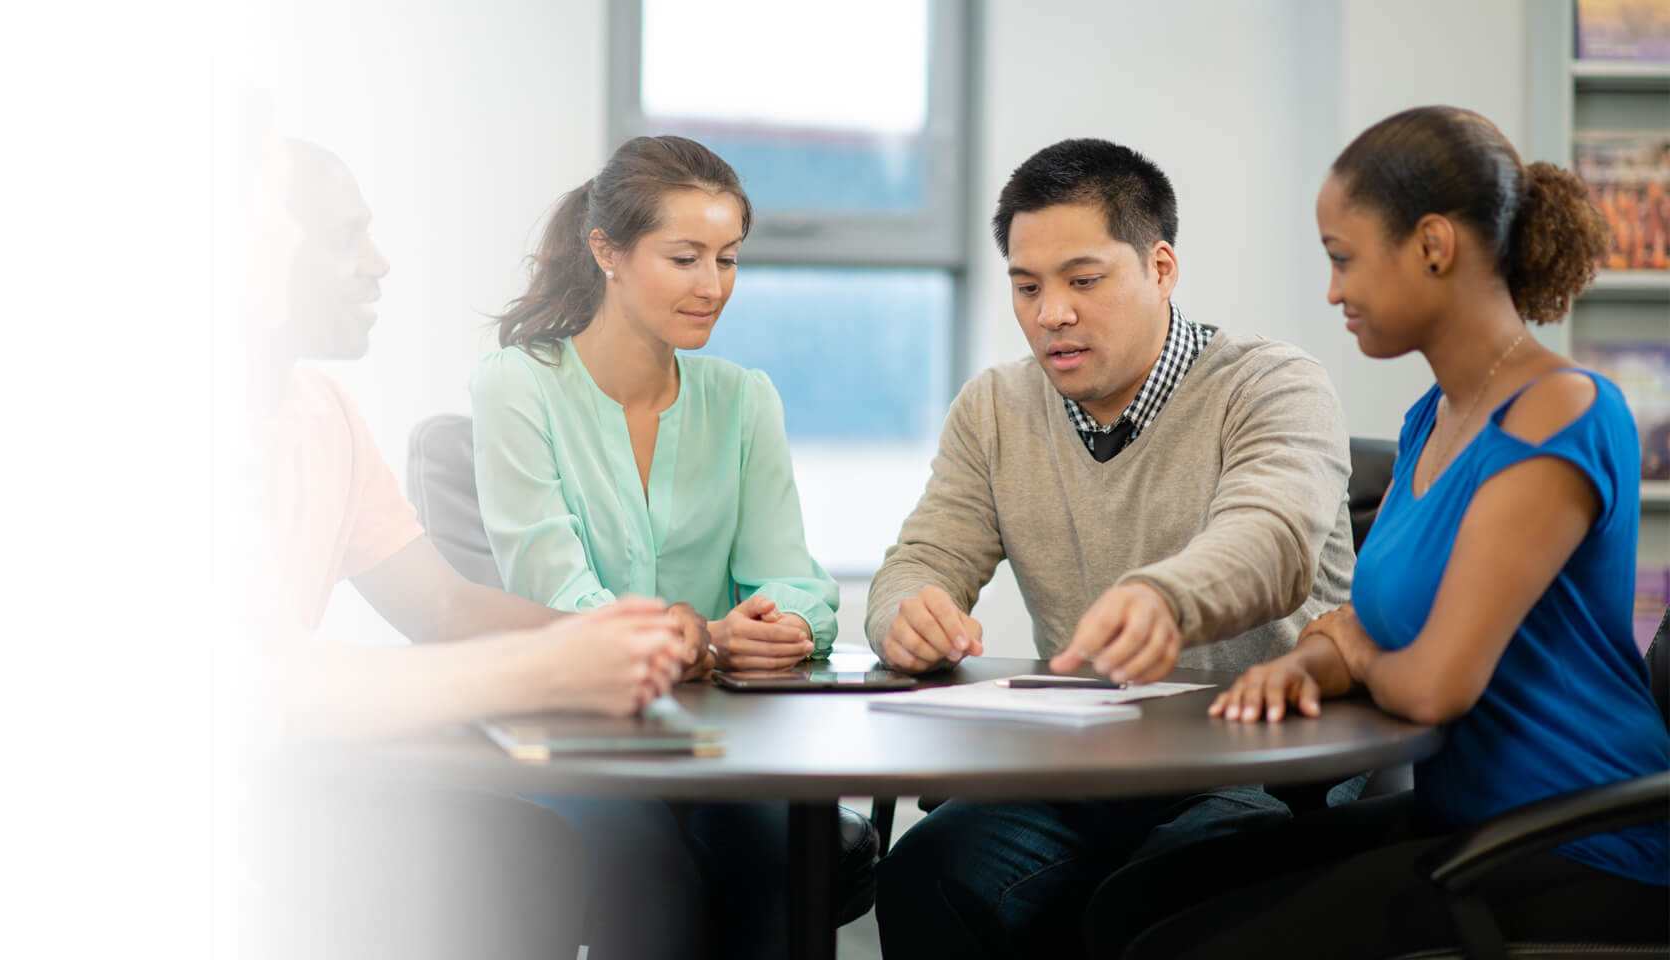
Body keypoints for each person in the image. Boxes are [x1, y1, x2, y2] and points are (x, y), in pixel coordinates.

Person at [1087, 106, 1670, 960]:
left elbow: (1435, 686)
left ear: (1433, 246)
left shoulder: (1562, 410)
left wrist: (1353, 654)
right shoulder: (1433, 416)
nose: (1332, 291)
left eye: (1343, 258)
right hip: (1467, 816)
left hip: (1578, 843)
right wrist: (1310, 658)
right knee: (1129, 902)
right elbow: (1372, 622)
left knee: (1173, 946)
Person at [868, 138, 1358, 960]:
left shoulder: (1273, 384)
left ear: (1161, 268)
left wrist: (1163, 598)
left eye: (1082, 281)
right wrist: (905, 614)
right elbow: (921, 560)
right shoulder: (995, 407)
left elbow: (1271, 543)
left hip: (1256, 766)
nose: (1050, 312)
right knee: (929, 876)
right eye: (1027, 287)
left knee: (1158, 903)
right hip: (1083, 768)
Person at [247, 138, 691, 960]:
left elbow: (443, 604)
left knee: (540, 852)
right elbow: (255, 683)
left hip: (280, 776)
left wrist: (607, 639)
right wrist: (556, 664)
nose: (380, 262)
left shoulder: (319, 410)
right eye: (346, 239)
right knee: (518, 858)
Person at [470, 134, 871, 960]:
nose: (713, 287)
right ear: (607, 251)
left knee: (777, 856)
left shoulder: (744, 400)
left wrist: (783, 625)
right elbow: (562, 601)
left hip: (719, 737)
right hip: (575, 734)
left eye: (728, 259)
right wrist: (709, 636)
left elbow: (797, 583)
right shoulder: (517, 387)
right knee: (644, 870)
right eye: (685, 258)